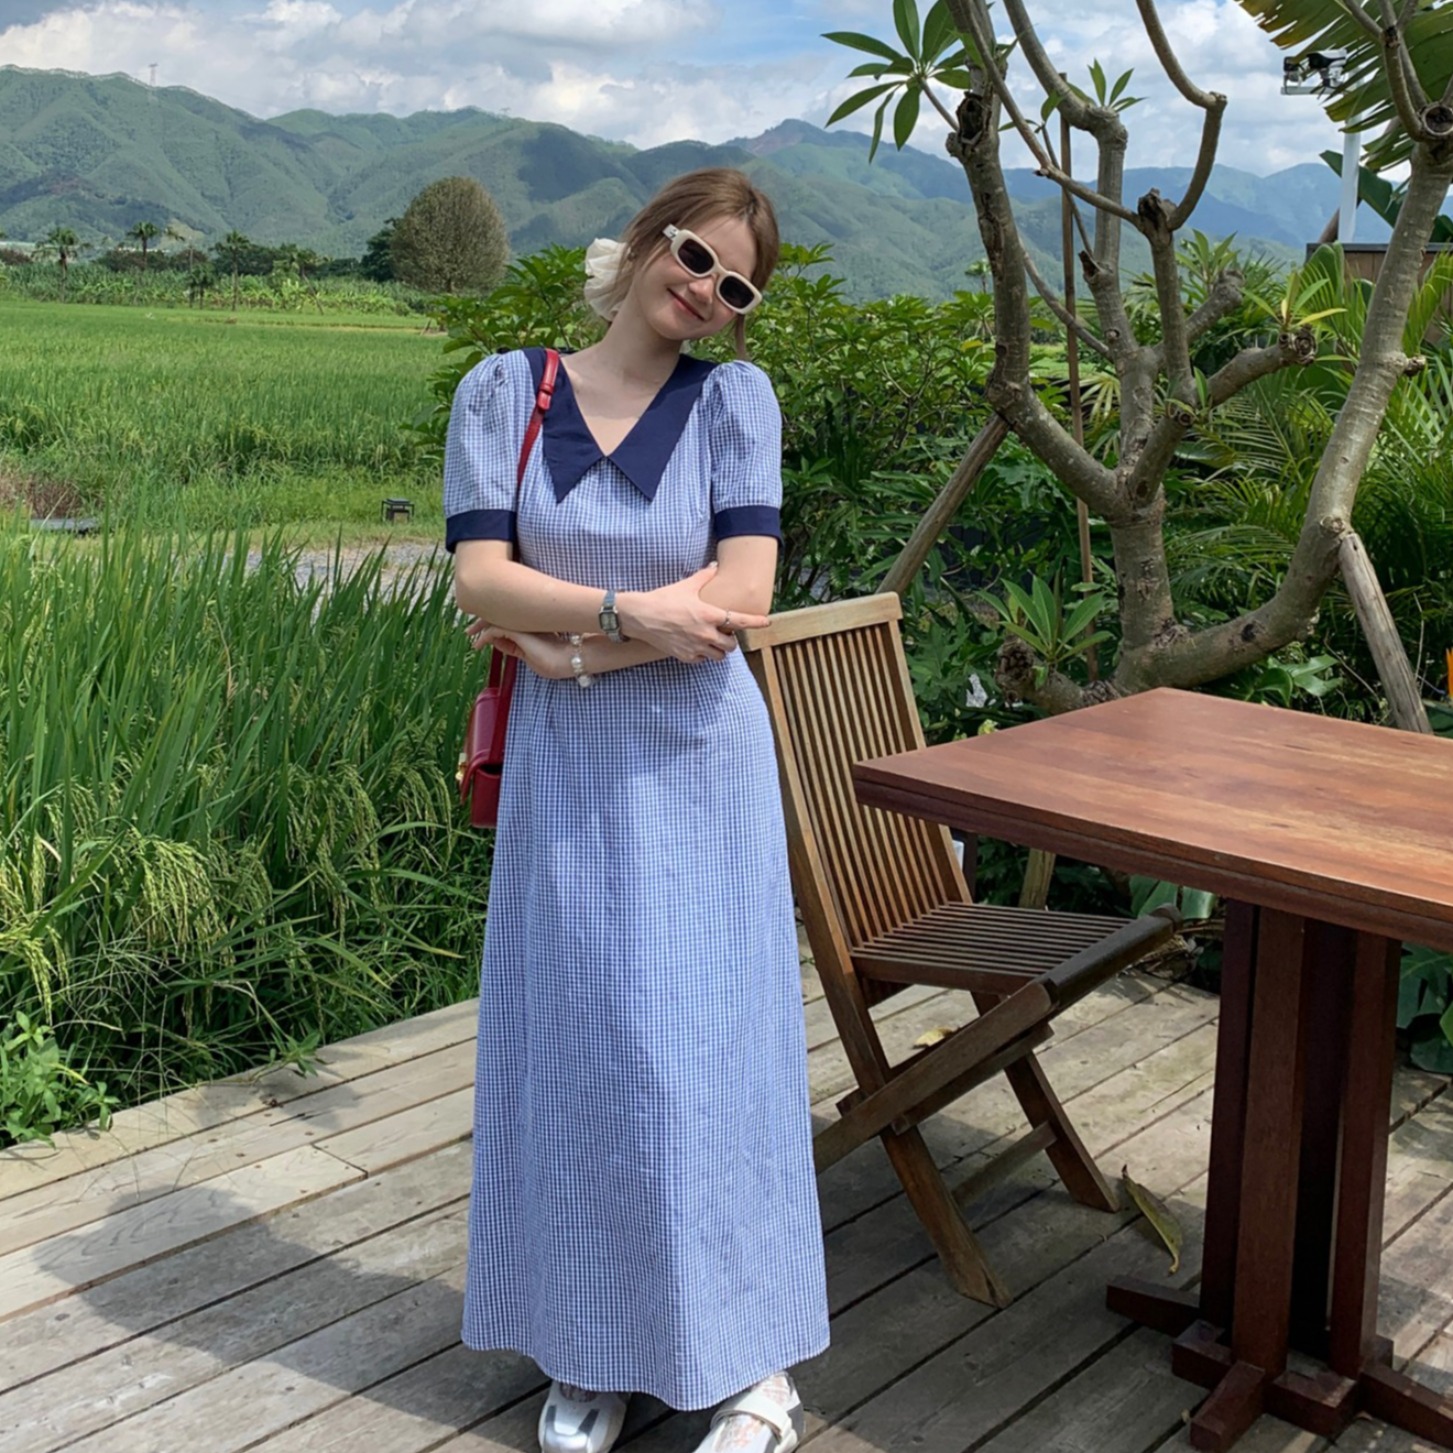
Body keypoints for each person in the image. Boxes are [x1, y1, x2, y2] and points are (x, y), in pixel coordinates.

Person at [443, 168, 830, 1453]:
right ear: (647, 240)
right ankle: (591, 1346)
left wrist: (574, 646)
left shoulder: (733, 407)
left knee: (709, 1055)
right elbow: (478, 577)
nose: (707, 290)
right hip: (567, 773)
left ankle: (754, 1368)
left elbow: (739, 599)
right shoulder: (506, 391)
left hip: (699, 766)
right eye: (693, 255)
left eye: (737, 285)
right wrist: (632, 613)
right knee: (577, 1046)